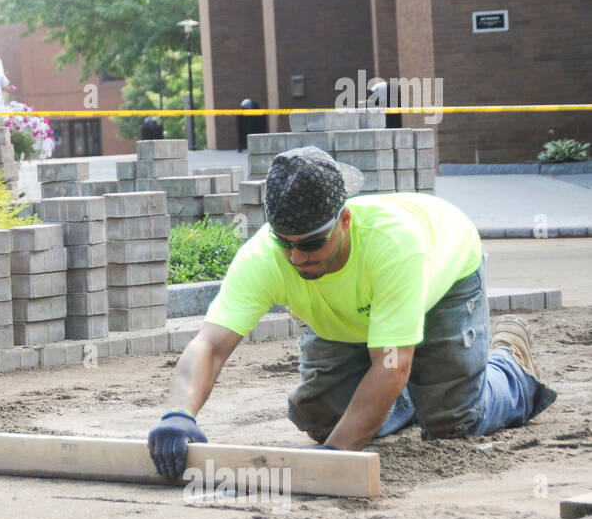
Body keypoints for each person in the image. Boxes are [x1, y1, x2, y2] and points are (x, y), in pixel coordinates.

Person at [146, 146, 557, 478]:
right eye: (284, 242)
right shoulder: (265, 256)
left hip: (442, 276)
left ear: (344, 220)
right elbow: (211, 346)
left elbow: (393, 363)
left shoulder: (394, 246)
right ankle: (421, 391)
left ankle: (509, 367)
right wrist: (179, 413)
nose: (296, 257)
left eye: (310, 244)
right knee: (322, 417)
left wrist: (333, 459)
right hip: (356, 318)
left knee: (452, 421)